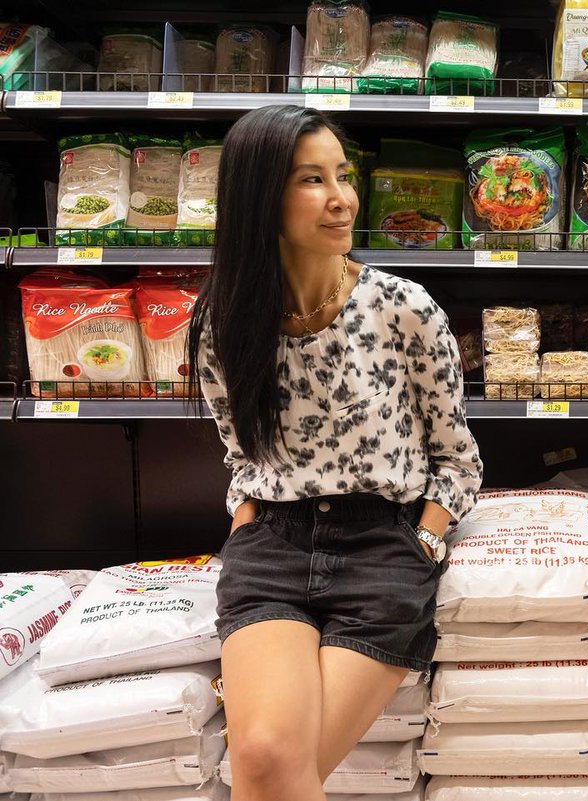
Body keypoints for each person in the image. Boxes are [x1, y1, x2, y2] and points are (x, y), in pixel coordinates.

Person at [186, 104, 482, 801]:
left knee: (272, 769)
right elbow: (243, 456)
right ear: (261, 197)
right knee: (262, 752)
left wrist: (426, 544)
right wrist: (246, 529)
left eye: (342, 176)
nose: (342, 197)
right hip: (274, 548)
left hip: (382, 547)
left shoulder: (405, 308)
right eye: (312, 180)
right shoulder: (225, 323)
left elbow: (458, 459)